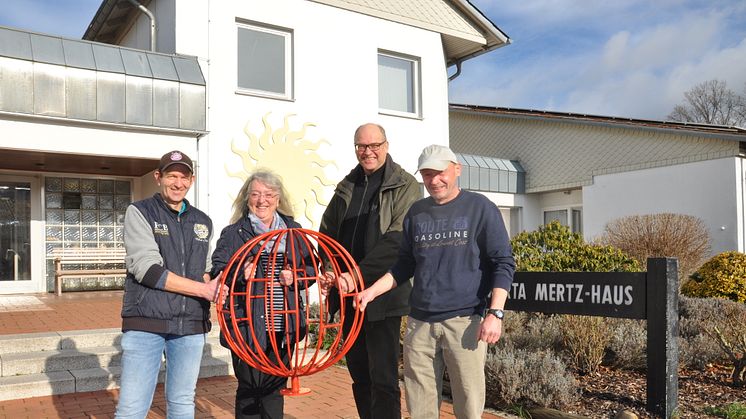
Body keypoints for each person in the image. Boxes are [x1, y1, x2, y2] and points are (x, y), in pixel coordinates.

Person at [348, 144, 516, 419]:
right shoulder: (417, 212)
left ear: (456, 170)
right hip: (420, 324)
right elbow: (404, 264)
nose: (434, 181)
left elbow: (503, 262)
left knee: (468, 405)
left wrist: (495, 313)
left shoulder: (480, 208)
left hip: (465, 323)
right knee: (420, 406)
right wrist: (371, 292)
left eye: (439, 173)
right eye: (427, 175)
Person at [319, 123, 421, 419]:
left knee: (384, 379)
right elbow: (328, 235)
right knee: (360, 375)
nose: (368, 152)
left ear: (386, 146)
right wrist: (328, 270)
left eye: (374, 145)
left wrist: (355, 275)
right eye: (362, 146)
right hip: (348, 296)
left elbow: (397, 240)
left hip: (383, 296)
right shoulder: (347, 186)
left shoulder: (405, 185)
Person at [116, 150, 226, 419]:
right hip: (146, 323)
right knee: (132, 406)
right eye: (172, 176)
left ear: (192, 180)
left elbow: (205, 267)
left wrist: (215, 278)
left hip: (189, 325)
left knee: (182, 401)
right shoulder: (139, 212)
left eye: (184, 177)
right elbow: (147, 270)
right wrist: (204, 290)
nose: (178, 183)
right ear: (158, 177)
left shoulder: (202, 221)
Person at [211, 170, 313, 419]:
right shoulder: (234, 233)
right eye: (255, 194)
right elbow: (218, 269)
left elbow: (310, 268)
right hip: (246, 326)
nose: (262, 200)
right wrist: (238, 271)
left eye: (268, 194)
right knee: (249, 389)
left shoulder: (293, 231)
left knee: (274, 388)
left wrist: (296, 277)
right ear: (247, 199)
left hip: (282, 325)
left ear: (278, 199)